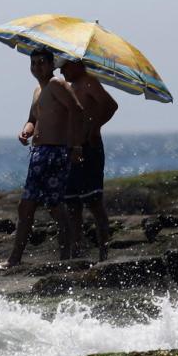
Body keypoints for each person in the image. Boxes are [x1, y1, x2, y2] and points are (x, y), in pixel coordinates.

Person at [0, 48, 85, 268]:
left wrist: (76, 145)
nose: (37, 67)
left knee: (54, 207)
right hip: (39, 154)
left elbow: (77, 111)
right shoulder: (37, 90)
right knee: (28, 206)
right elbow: (33, 118)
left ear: (52, 65)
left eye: (41, 62)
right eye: (33, 63)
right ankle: (16, 259)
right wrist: (25, 131)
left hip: (55, 153)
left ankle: (65, 258)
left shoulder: (57, 84)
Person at [60, 58, 117, 261]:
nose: (61, 69)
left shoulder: (88, 81)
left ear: (76, 64)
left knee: (93, 202)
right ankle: (78, 251)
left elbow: (110, 105)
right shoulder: (70, 86)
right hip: (71, 149)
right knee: (72, 204)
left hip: (88, 148)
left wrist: (95, 128)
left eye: (65, 65)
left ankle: (104, 253)